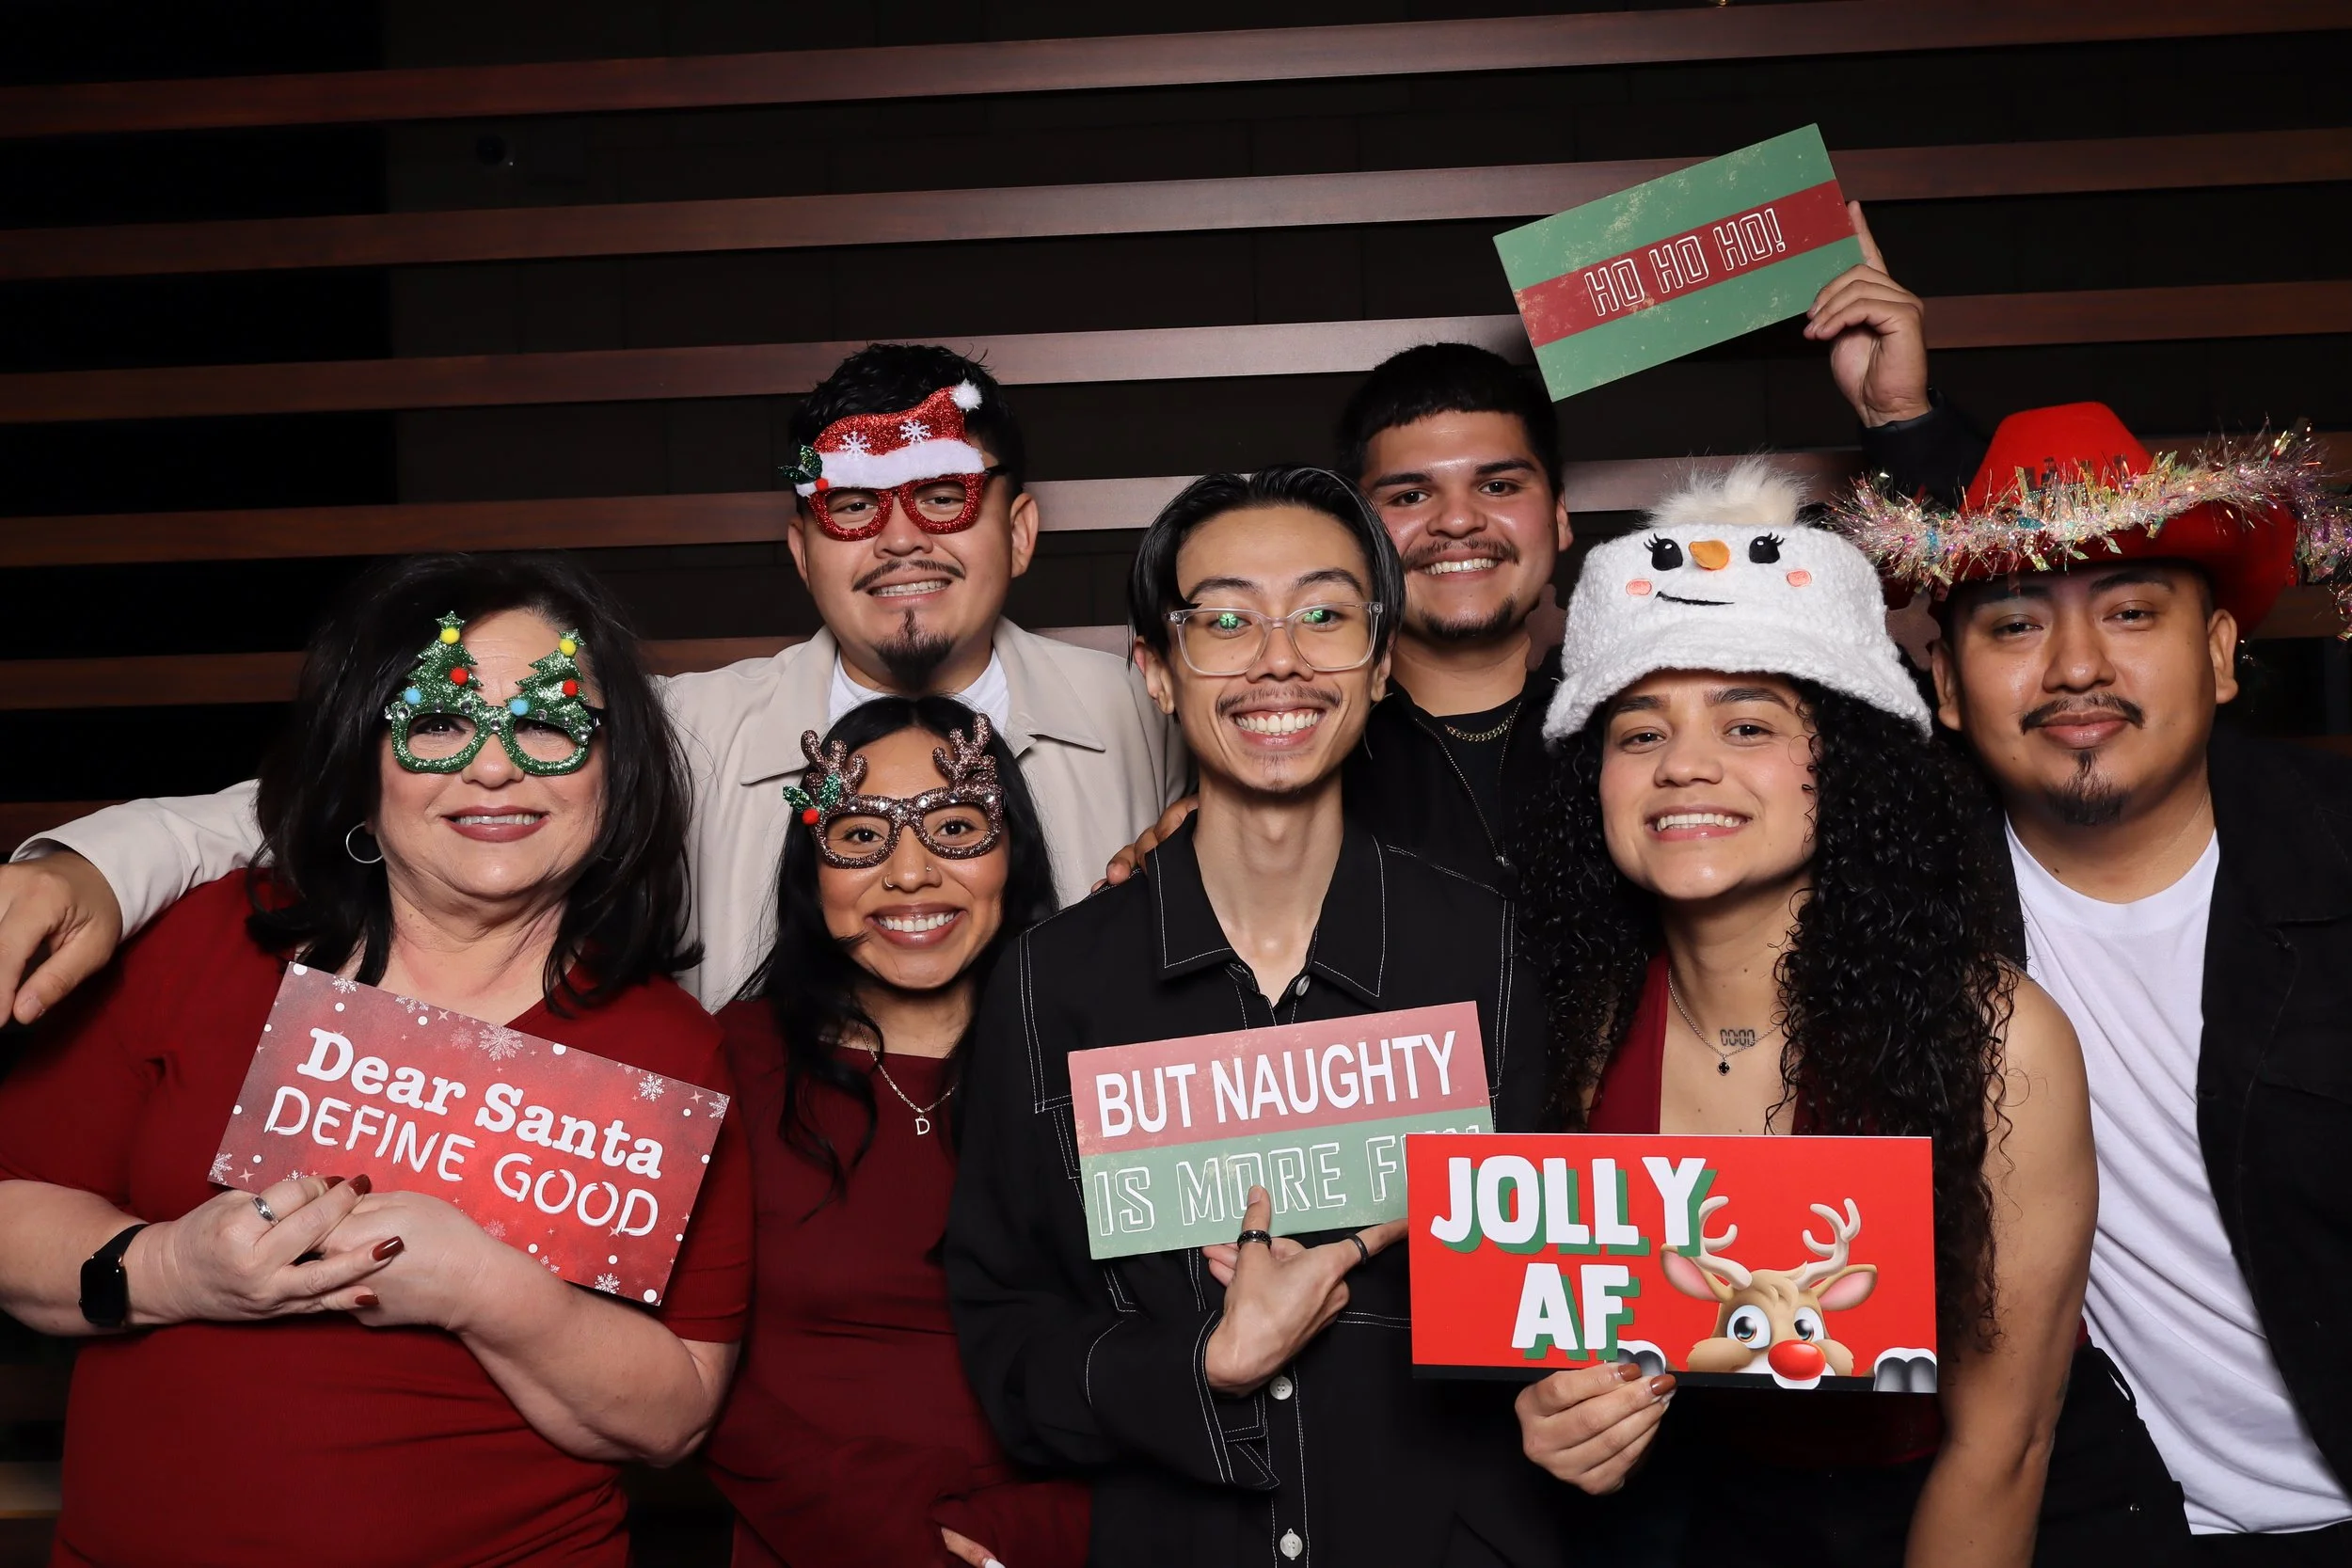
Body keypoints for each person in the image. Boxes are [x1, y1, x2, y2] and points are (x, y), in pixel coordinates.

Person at [0, 343, 1187, 1018]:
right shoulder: (687, 728)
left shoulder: (1149, 713)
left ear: (1019, 530)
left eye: (943, 496)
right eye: (848, 509)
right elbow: (375, 790)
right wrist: (89, 868)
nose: (899, 539)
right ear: (800, 550)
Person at [0, 553, 752, 1567]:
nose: (495, 766)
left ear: (614, 771)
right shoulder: (204, 943)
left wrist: (481, 1287)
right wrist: (177, 1269)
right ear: (363, 758)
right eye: (437, 721)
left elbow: (673, 1414)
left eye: (549, 722)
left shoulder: (666, 1046)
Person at [946, 466, 1568, 1567]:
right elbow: (1006, 1328)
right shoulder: (1054, 981)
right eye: (1225, 621)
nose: (1279, 658)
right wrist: (1199, 1366)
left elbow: (1548, 1287)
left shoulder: (1489, 949)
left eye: (1323, 615)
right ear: (1156, 668)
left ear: (1381, 660)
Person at [1510, 464, 2122, 1567]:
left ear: (1845, 769)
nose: (1683, 764)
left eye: (1747, 724)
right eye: (1638, 733)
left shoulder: (1995, 1035)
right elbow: (1612, 1335)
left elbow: (2002, 1445)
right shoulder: (1585, 1026)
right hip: (1734, 1518)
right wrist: (1567, 1417)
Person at [1834, 401, 2352, 1563]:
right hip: (2112, 1519)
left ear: (2217, 653)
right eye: (2015, 624)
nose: (2076, 667)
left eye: (2129, 613)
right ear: (1946, 686)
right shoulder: (1899, 914)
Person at [1105, 203, 1978, 890]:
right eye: (1410, 495)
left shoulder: (1655, 721)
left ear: (1559, 518)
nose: (1457, 522)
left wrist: (1899, 419)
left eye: (1498, 486)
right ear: (1360, 541)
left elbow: (1972, 708)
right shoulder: (1301, 747)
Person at [702, 697, 1088, 1568]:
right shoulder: (728, 1062)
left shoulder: (1097, 1060)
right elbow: (690, 1377)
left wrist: (1028, 1535)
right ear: (813, 870)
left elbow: (1164, 1353)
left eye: (954, 826)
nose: (910, 873)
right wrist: (903, 1540)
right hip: (811, 1544)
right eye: (862, 836)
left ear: (1012, 851)